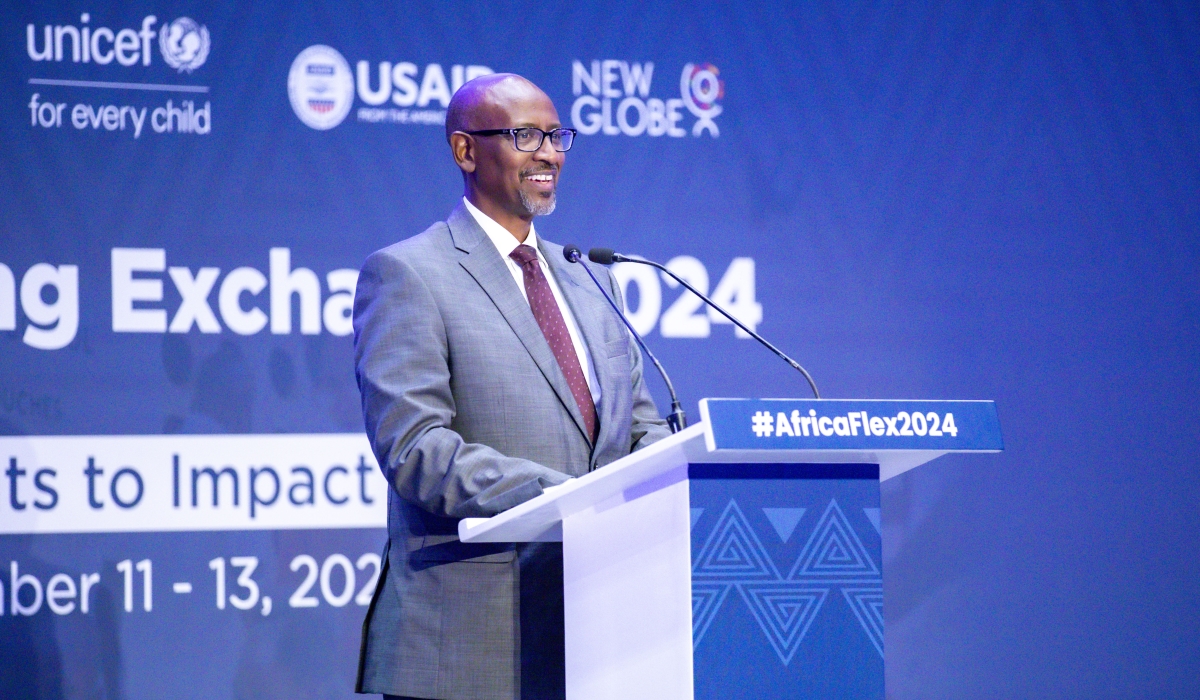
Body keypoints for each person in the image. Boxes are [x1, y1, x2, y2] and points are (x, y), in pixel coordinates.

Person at [352, 73, 670, 700]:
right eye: (526, 135)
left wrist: (673, 475)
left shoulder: (589, 281)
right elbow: (416, 451)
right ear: (465, 151)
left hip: (602, 638)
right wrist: (572, 498)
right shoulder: (408, 274)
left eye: (556, 136)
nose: (548, 153)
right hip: (470, 647)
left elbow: (639, 428)